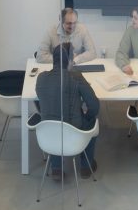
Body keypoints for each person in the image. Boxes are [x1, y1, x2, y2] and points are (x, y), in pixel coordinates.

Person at [29, 39, 99, 175]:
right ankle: (86, 166)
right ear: (70, 61)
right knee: (91, 120)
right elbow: (94, 106)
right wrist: (86, 115)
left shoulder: (41, 78)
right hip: (72, 131)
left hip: (48, 133)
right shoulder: (76, 77)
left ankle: (56, 168)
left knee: (54, 116)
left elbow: (42, 101)